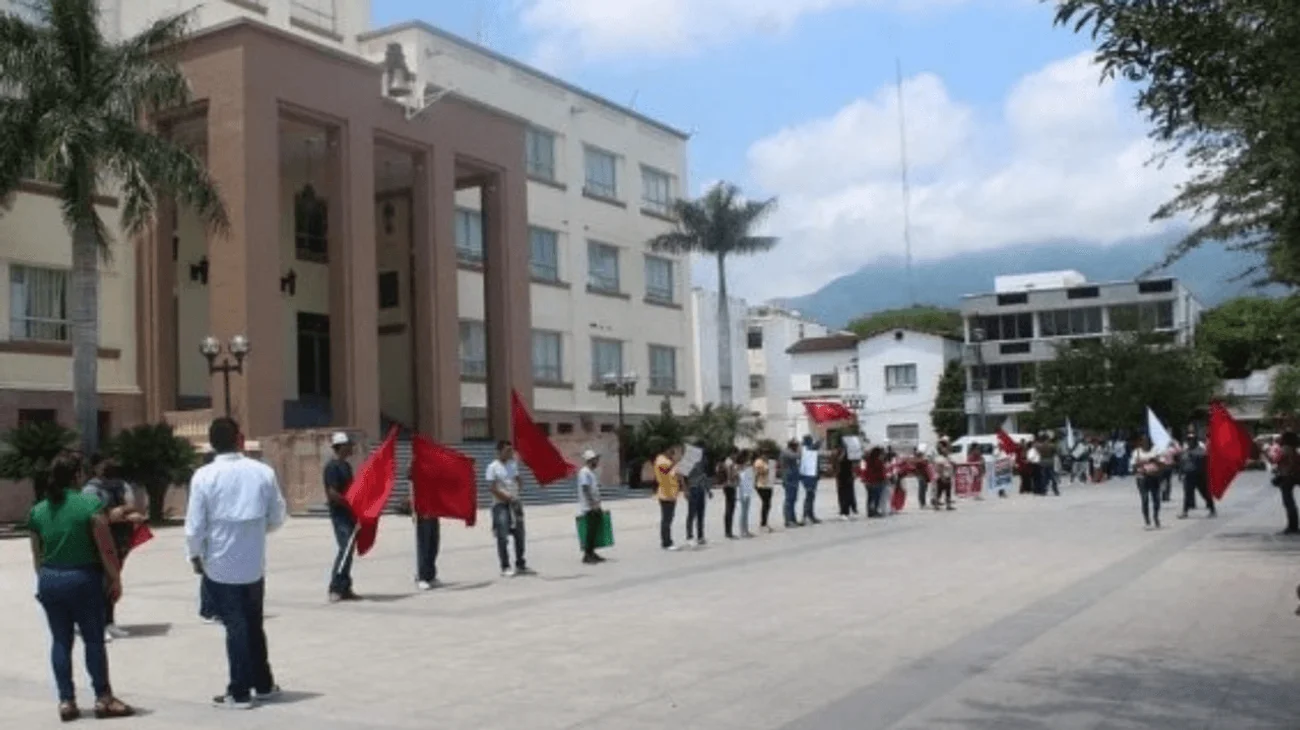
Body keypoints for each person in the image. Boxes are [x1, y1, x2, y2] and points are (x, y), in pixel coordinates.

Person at [185, 417, 287, 709]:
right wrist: (255, 534)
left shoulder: (204, 476)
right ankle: (263, 683)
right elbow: (278, 515)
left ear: (212, 443)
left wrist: (195, 555)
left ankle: (240, 691)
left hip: (220, 563)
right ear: (240, 439)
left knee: (235, 626)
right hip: (254, 562)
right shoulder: (262, 472)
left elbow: (195, 526)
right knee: (253, 623)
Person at [28, 453, 135, 722]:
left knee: (61, 641)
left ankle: (66, 701)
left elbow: (37, 556)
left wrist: (46, 581)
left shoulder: (38, 510)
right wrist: (115, 578)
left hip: (51, 578)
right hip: (83, 578)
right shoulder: (89, 505)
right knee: (93, 640)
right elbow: (105, 546)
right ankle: (103, 698)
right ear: (77, 476)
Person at [81, 454, 145, 641]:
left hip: (120, 540)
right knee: (101, 582)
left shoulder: (120, 485)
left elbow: (132, 505)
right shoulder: (90, 490)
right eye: (103, 465)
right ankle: (97, 624)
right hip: (101, 541)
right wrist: (117, 514)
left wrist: (122, 512)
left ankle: (109, 621)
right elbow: (94, 516)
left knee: (112, 581)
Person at [323, 432, 360, 603]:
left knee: (348, 550)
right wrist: (349, 504)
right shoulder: (332, 467)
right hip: (340, 514)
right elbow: (332, 493)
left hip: (349, 514)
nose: (351, 448)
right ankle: (335, 587)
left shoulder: (346, 466)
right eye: (349, 445)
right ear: (341, 446)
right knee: (344, 549)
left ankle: (345, 587)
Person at [487, 440, 530, 576]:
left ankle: (520, 563)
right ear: (499, 452)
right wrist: (507, 498)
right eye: (507, 450)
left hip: (515, 503)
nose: (510, 453)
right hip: (501, 504)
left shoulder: (513, 464)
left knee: (520, 534)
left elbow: (518, 480)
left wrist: (518, 488)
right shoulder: (493, 467)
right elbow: (493, 488)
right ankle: (505, 566)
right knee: (502, 536)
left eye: (511, 450)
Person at [1130, 435, 1166, 530]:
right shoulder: (1136, 452)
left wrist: (1154, 460)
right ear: (1140, 442)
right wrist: (1143, 463)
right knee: (1145, 499)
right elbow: (1133, 467)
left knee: (1156, 499)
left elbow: (1163, 464)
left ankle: (1156, 517)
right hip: (1142, 478)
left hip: (1154, 478)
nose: (1146, 443)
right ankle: (1147, 520)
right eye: (1144, 441)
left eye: (1148, 442)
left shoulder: (1156, 450)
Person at [576, 449, 605, 564]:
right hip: (589, 507)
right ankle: (587, 555)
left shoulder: (590, 472)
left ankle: (592, 552)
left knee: (594, 531)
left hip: (594, 505)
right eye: (595, 460)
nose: (597, 462)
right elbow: (585, 488)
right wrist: (592, 504)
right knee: (590, 531)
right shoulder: (584, 472)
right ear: (590, 460)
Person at [1178, 433, 1215, 519]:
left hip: (1199, 476)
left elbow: (1205, 459)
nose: (1190, 441)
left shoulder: (1200, 450)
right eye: (1188, 440)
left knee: (1205, 493)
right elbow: (1182, 463)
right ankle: (1185, 511)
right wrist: (1180, 473)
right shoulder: (1185, 451)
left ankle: (1212, 509)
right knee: (1187, 494)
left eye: (1192, 440)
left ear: (1195, 441)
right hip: (1188, 476)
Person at [655, 445, 683, 550]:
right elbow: (664, 472)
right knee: (666, 519)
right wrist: (674, 464)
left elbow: (676, 475)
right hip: (665, 494)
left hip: (672, 494)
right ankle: (666, 542)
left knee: (670, 518)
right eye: (671, 452)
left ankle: (668, 540)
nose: (672, 454)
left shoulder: (669, 461)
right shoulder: (660, 460)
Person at [1273, 431, 1300, 535]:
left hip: (1287, 477)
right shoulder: (1294, 450)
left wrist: (1265, 451)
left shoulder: (1285, 449)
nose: (1279, 438)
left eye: (1281, 437)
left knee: (1288, 502)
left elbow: (1275, 460)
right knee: (1290, 502)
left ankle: (1292, 526)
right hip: (1294, 475)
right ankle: (1293, 526)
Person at [684, 445, 711, 547]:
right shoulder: (688, 461)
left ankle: (700, 536)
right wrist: (685, 490)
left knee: (701, 514)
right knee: (691, 514)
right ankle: (689, 536)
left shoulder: (702, 462)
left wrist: (708, 490)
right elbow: (682, 476)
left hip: (701, 489)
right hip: (692, 488)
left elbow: (704, 476)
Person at [859, 447, 888, 518]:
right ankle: (875, 511)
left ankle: (869, 512)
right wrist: (885, 479)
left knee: (870, 498)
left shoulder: (867, 461)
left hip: (868, 482)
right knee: (876, 498)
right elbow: (881, 473)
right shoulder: (878, 461)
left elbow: (864, 470)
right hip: (877, 482)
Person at [799, 435, 822, 524]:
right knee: (809, 497)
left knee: (811, 497)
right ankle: (805, 516)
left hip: (812, 476)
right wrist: (821, 437)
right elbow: (816, 445)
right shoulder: (807, 450)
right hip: (808, 477)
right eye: (810, 440)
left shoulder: (808, 449)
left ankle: (810, 515)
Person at [780, 440, 802, 528]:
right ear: (792, 446)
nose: (797, 447)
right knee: (789, 500)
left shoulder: (790, 451)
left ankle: (793, 519)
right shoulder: (786, 452)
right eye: (796, 445)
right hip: (789, 479)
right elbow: (798, 456)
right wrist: (801, 449)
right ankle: (788, 521)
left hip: (793, 478)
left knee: (793, 500)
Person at [834, 441, 857, 520]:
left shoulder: (849, 455)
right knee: (842, 495)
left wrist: (853, 473)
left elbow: (852, 464)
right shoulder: (837, 455)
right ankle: (843, 512)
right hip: (841, 477)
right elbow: (837, 462)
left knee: (849, 495)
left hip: (848, 477)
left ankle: (848, 510)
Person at [721, 447, 739, 539]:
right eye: (736, 454)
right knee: (729, 509)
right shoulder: (730, 463)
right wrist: (737, 474)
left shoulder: (727, 461)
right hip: (730, 486)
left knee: (729, 508)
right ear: (732, 453)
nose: (736, 456)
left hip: (727, 486)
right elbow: (730, 476)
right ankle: (728, 532)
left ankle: (728, 531)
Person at [754, 449, 775, 533]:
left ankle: (765, 522)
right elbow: (758, 472)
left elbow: (772, 473)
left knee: (768, 504)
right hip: (761, 485)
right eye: (764, 454)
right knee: (765, 503)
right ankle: (763, 524)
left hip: (768, 485)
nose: (766, 456)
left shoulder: (769, 462)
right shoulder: (758, 462)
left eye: (767, 454)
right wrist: (768, 469)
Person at [737, 450, 756, 538]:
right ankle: (742, 531)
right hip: (743, 488)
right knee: (744, 511)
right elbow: (742, 476)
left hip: (747, 487)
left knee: (746, 510)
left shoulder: (745, 465)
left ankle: (746, 530)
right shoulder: (741, 466)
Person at [932, 441, 956, 511]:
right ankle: (936, 505)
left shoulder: (948, 458)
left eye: (946, 450)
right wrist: (942, 477)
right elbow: (939, 469)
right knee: (939, 491)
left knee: (948, 491)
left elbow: (953, 464)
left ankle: (948, 505)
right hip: (941, 477)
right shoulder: (939, 458)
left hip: (947, 476)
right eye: (944, 450)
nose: (946, 451)